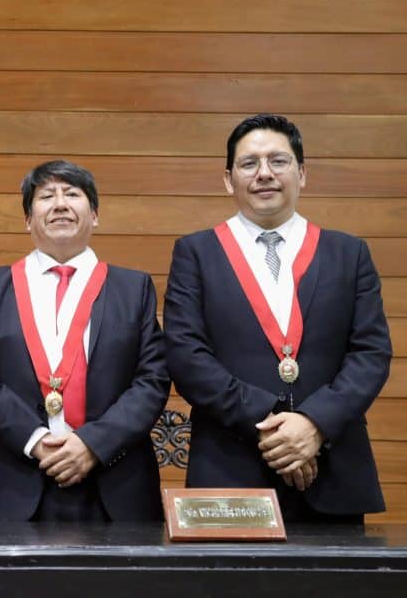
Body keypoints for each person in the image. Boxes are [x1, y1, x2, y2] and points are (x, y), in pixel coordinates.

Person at [164, 114, 392, 523]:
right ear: (228, 179)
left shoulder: (348, 253)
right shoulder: (196, 253)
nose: (264, 174)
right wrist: (275, 430)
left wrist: (313, 424)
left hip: (332, 471)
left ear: (302, 174)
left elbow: (370, 354)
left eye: (278, 161)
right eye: (249, 164)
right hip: (230, 472)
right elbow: (186, 356)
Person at [0, 160, 169, 521]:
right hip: (15, 483)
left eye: (72, 194)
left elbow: (152, 381)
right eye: (45, 196)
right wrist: (36, 440)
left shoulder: (133, 289)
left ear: (95, 215)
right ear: (28, 219)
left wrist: (92, 444)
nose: (59, 204)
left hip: (114, 486)